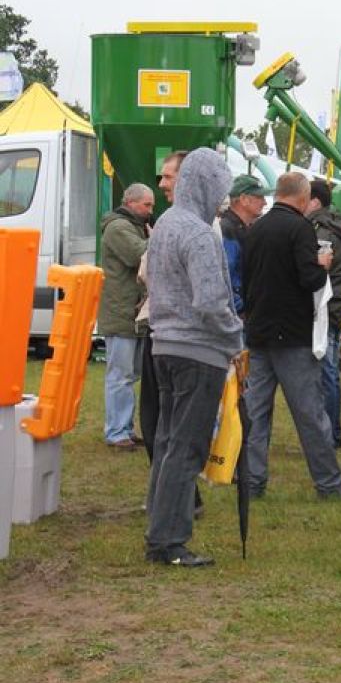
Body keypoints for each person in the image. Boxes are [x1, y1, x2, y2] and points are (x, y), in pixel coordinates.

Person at [145, 148, 243, 567]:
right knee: (186, 447)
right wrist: (236, 338)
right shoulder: (200, 233)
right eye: (220, 191)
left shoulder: (166, 223)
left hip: (163, 345)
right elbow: (209, 302)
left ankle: (160, 526)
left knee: (168, 442)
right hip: (196, 352)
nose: (223, 201)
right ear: (205, 185)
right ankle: (168, 541)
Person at [242, 171, 341, 500]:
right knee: (310, 413)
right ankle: (329, 483)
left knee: (255, 414)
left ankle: (252, 482)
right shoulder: (300, 229)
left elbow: (244, 277)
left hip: (257, 334)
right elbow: (310, 280)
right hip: (292, 336)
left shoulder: (254, 229)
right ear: (302, 197)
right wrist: (322, 264)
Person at [138, 150, 189, 461]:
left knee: (162, 420)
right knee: (167, 420)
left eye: (168, 176)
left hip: (171, 335)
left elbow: (145, 273)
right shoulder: (199, 221)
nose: (161, 184)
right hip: (174, 333)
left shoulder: (174, 223)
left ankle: (177, 496)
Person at [97, 182, 154, 449]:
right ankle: (117, 431)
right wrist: (157, 239)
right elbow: (139, 255)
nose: (150, 210)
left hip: (130, 313)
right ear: (131, 203)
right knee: (120, 376)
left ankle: (125, 428)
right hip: (121, 313)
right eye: (147, 205)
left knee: (129, 375)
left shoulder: (132, 227)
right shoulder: (119, 228)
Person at [306, 179, 341, 449]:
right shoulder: (335, 224)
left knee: (325, 374)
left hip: (325, 311)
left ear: (314, 201)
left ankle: (329, 436)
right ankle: (331, 434)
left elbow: (315, 271)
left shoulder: (320, 231)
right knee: (329, 373)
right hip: (336, 308)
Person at [220, 173, 269, 313]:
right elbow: (225, 277)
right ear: (243, 199)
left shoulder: (240, 229)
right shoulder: (228, 230)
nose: (265, 202)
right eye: (260, 197)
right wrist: (242, 307)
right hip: (237, 315)